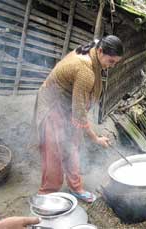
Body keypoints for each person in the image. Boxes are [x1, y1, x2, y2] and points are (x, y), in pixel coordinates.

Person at [33, 35, 124, 203]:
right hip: (53, 104)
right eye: (111, 61)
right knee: (54, 151)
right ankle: (46, 194)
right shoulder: (85, 70)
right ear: (100, 51)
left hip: (67, 103)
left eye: (115, 63)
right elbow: (79, 114)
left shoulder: (96, 47)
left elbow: (78, 111)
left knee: (72, 144)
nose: (111, 66)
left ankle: (75, 187)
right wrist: (96, 138)